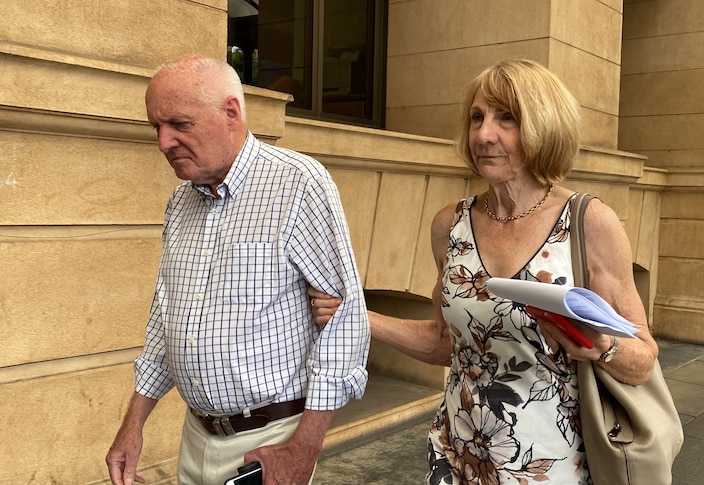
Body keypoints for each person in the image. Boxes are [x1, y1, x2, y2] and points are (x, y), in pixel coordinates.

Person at [309, 58, 658, 483]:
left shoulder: (588, 222)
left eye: (506, 118)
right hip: (457, 452)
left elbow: (642, 360)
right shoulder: (449, 225)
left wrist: (602, 348)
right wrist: (359, 316)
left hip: (551, 464)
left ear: (545, 126)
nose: (483, 134)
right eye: (477, 117)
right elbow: (445, 343)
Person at [105, 55, 370, 485]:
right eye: (157, 127)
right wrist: (133, 425)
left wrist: (302, 450)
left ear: (230, 112)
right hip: (195, 436)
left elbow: (345, 329)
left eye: (179, 124)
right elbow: (164, 322)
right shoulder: (181, 203)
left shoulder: (298, 184)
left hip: (269, 443)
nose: (164, 142)